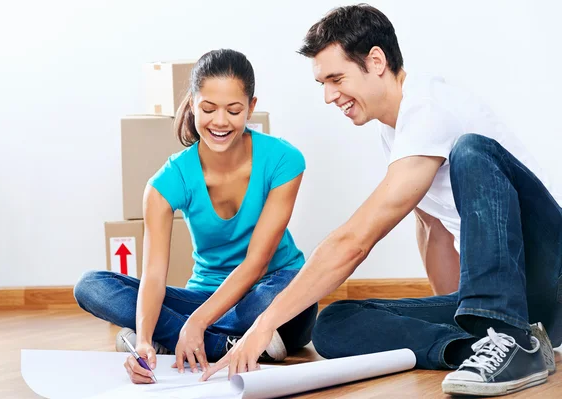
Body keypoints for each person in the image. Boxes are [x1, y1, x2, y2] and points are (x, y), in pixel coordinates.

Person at [201, 5, 562, 396]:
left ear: (376, 60)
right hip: (517, 304)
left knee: (472, 152)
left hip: (551, 276)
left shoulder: (430, 108)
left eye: (336, 78)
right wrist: (462, 316)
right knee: (334, 322)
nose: (328, 95)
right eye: (322, 83)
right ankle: (478, 345)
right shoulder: (396, 131)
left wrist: (265, 323)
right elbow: (433, 229)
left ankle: (509, 336)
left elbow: (356, 241)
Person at [73, 49, 317, 384]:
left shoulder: (284, 160)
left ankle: (180, 337)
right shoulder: (166, 182)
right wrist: (143, 340)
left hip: (272, 292)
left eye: (233, 110)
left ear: (251, 107)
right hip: (204, 295)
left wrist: (196, 323)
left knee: (294, 283)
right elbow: (154, 277)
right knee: (91, 286)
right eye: (208, 108)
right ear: (191, 104)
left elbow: (256, 263)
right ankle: (225, 344)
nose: (220, 121)